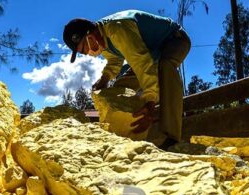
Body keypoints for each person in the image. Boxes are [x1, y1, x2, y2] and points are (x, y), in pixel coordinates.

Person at [63, 10, 191, 149]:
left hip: (175, 40)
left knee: (166, 68)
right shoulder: (102, 40)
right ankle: (126, 131)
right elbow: (115, 60)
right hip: (150, 54)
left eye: (84, 49)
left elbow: (142, 64)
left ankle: (171, 137)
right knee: (120, 87)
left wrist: (150, 103)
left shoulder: (117, 29)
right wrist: (104, 79)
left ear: (90, 37)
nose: (88, 54)